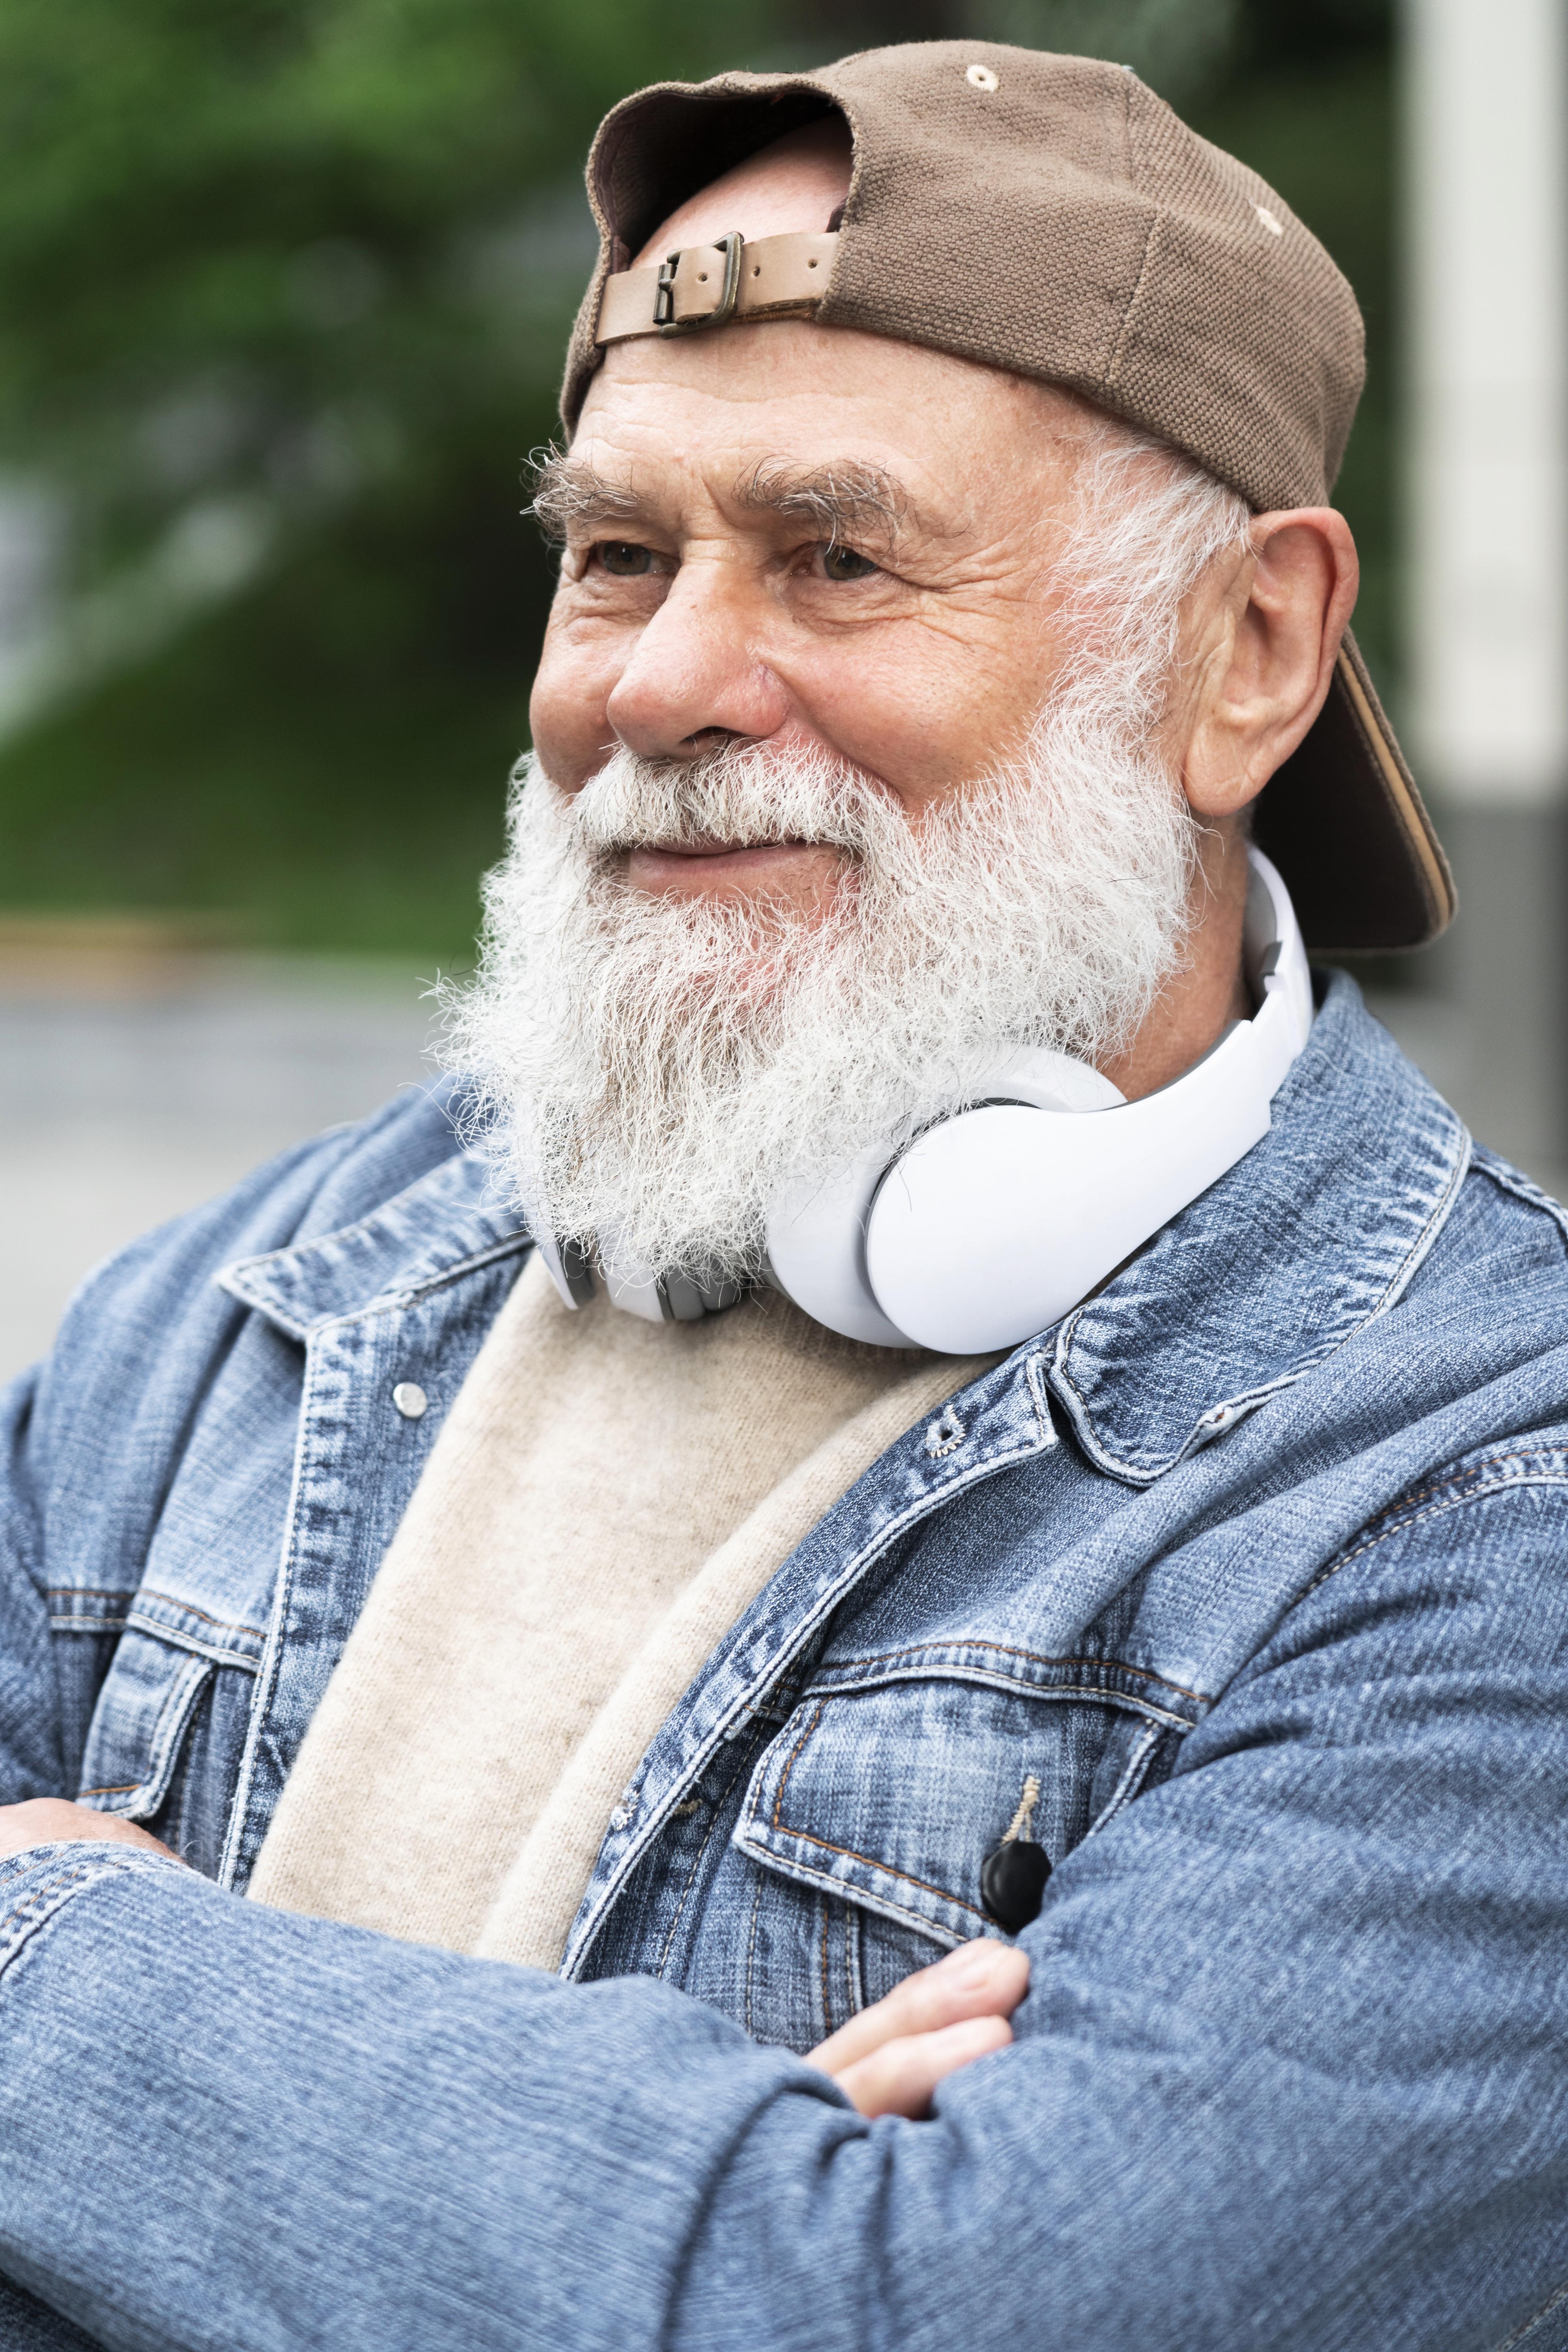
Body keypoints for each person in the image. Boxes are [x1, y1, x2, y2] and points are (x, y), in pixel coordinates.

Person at [0, 40, 1564, 2352]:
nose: (664, 683)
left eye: (839, 560)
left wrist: (54, 1968)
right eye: (618, 557)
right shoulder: (277, 1289)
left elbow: (922, 2331)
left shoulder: (1481, 1500)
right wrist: (711, 2195)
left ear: (1246, 656)